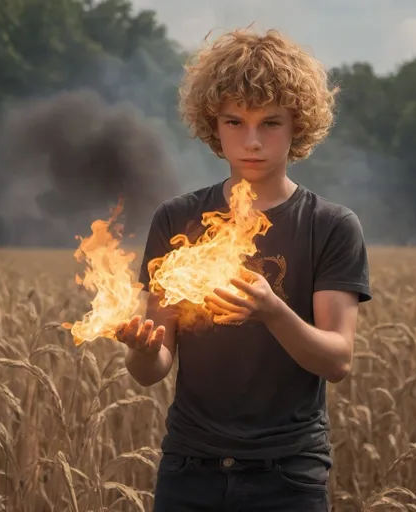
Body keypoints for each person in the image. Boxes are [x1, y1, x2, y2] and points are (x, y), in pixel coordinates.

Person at [117, 27, 372, 512]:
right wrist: (141, 350)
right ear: (213, 125)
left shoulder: (330, 226)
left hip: (288, 474)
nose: (251, 141)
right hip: (190, 469)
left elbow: (337, 361)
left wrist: (272, 311)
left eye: (270, 123)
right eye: (234, 122)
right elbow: (153, 371)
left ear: (298, 124)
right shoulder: (176, 219)